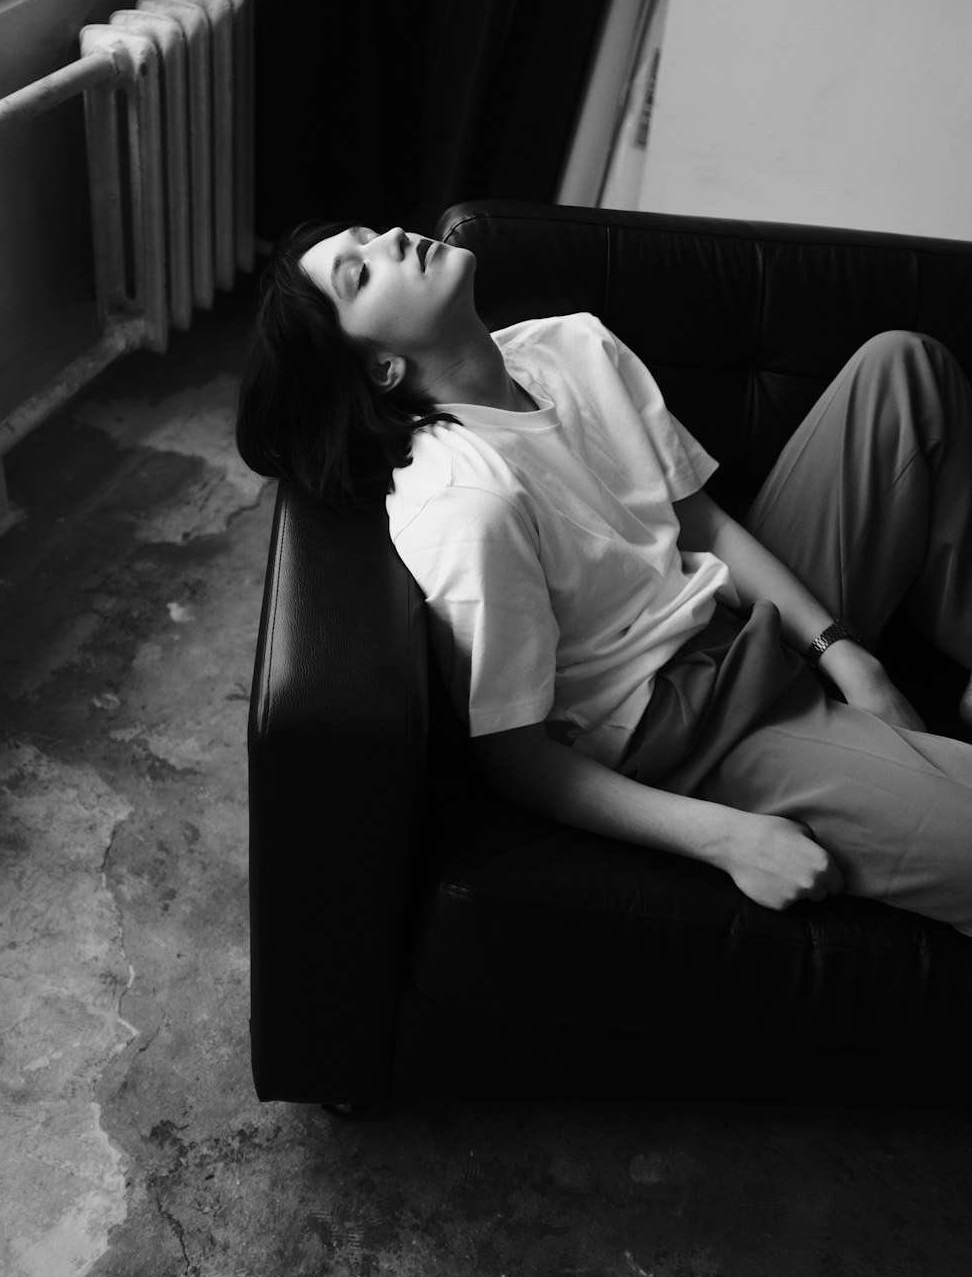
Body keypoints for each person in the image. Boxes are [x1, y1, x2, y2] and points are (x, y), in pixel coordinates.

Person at [237, 219, 972, 934]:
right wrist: (730, 840)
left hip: (736, 615)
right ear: (382, 367)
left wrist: (849, 657)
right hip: (693, 725)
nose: (391, 238)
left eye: (368, 235)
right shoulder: (466, 504)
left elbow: (701, 524)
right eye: (361, 273)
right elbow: (517, 758)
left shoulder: (572, 344)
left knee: (904, 368)